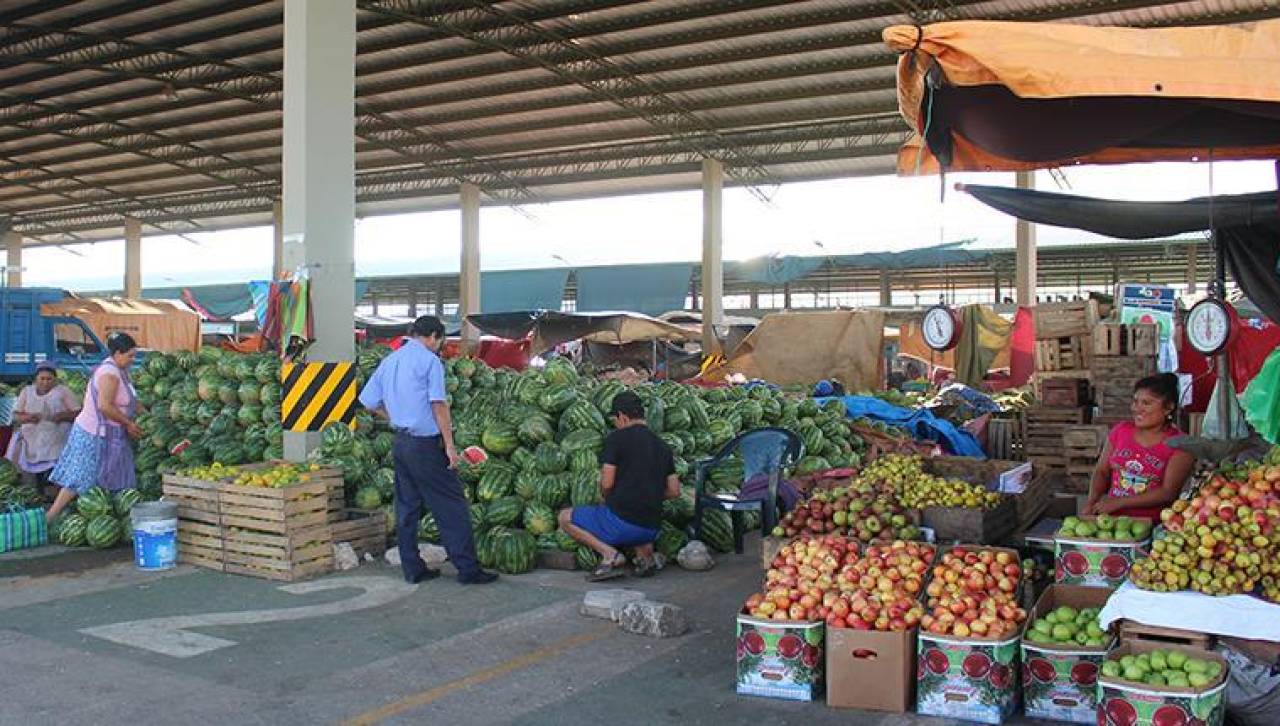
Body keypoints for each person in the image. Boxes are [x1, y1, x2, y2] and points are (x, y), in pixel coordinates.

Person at [358, 315, 497, 586]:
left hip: (401, 443)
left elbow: (369, 401)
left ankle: (413, 568)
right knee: (451, 505)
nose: (439, 345)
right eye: (440, 340)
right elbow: (438, 405)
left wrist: (395, 418)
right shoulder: (429, 362)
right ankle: (468, 569)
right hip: (424, 446)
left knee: (407, 508)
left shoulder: (391, 360)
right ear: (433, 336)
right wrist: (450, 446)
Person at [558, 391, 681, 582]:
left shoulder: (616, 439)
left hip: (621, 523)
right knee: (637, 526)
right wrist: (648, 494)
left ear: (622, 417)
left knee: (565, 517)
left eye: (615, 419)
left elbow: (607, 483)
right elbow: (674, 491)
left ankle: (610, 555)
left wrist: (606, 497)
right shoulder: (663, 446)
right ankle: (645, 556)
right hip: (652, 527)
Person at [46, 333, 142, 523]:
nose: (133, 359)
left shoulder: (120, 369)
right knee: (80, 476)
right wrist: (129, 423)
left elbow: (132, 400)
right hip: (93, 432)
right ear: (117, 353)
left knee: (105, 476)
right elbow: (104, 406)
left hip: (110, 433)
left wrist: (146, 415)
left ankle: (104, 518)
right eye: (130, 355)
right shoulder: (110, 374)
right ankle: (50, 517)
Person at [1085, 373, 1194, 519]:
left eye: (1146, 403)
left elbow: (1168, 492)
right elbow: (1102, 471)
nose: (1137, 408)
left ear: (1168, 408)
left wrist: (1119, 503)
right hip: (1108, 518)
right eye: (1135, 401)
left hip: (1150, 523)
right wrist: (1092, 502)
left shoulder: (1180, 444)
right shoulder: (1121, 430)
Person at [4, 363, 82, 495]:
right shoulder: (27, 392)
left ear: (55, 379)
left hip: (57, 442)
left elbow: (79, 412)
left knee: (54, 472)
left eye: (49, 379)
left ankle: (54, 494)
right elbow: (16, 415)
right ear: (36, 379)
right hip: (32, 441)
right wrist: (28, 417)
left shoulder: (62, 391)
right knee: (33, 474)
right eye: (42, 379)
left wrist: (62, 416)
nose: (45, 382)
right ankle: (38, 493)